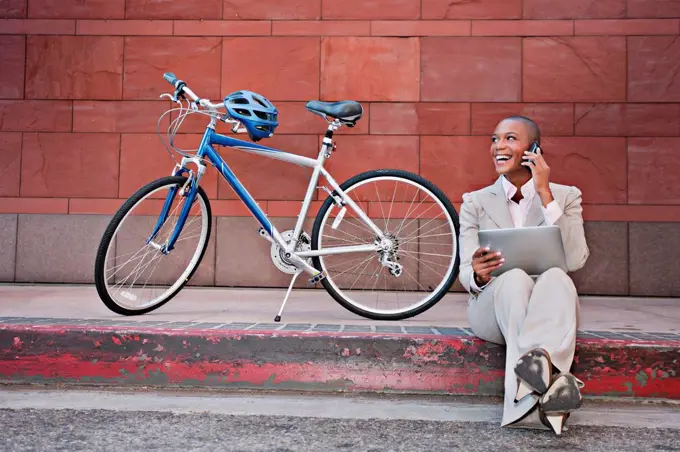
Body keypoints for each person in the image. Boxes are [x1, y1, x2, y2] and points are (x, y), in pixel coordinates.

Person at [457, 116, 590, 434]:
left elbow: (575, 258)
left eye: (510, 139)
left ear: (533, 150)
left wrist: (545, 194)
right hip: (494, 306)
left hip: (548, 306)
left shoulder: (566, 196)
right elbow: (465, 272)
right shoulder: (474, 203)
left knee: (558, 277)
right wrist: (478, 275)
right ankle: (551, 377)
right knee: (515, 278)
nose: (498, 146)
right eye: (495, 138)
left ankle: (528, 398)